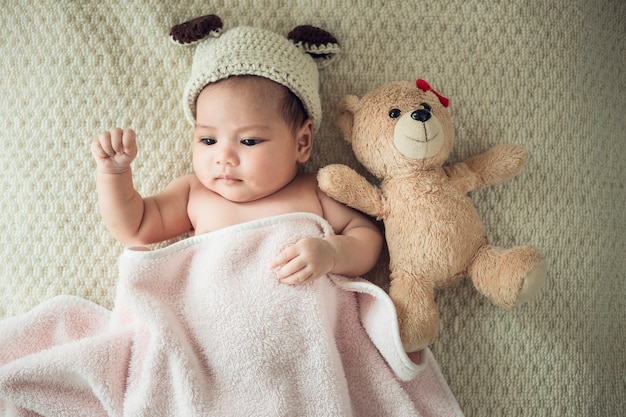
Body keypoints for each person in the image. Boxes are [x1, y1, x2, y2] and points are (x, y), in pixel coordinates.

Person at [90, 23, 382, 285]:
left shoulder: (313, 192)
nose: (224, 157)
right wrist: (113, 174)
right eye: (208, 139)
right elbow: (135, 227)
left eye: (249, 141)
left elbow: (367, 237)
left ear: (302, 142)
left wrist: (331, 253)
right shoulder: (194, 193)